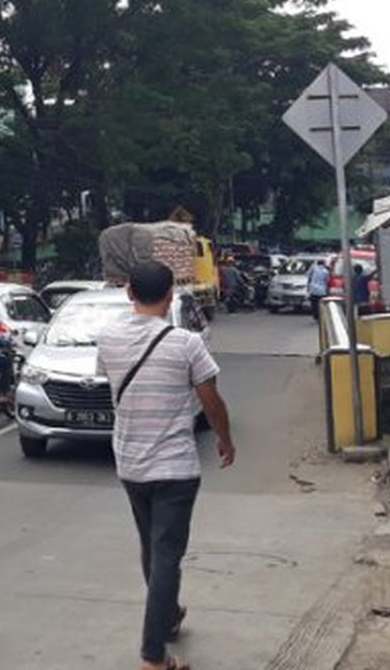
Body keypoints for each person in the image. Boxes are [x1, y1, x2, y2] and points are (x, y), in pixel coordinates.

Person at [96, 261, 236, 670]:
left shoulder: (108, 339)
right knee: (166, 555)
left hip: (130, 464)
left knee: (153, 547)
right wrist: (225, 440)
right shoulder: (186, 344)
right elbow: (212, 400)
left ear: (129, 293)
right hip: (174, 468)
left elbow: (110, 381)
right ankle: (153, 656)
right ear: (170, 295)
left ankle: (168, 616)